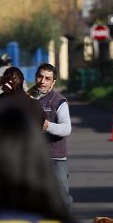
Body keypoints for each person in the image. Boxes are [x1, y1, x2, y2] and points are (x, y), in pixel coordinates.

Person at [30, 62, 73, 214]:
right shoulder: (28, 97)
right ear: (35, 77)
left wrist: (48, 126)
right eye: (40, 77)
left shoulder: (59, 101)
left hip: (55, 158)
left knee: (62, 198)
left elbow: (66, 128)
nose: (43, 81)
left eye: (47, 78)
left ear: (53, 82)